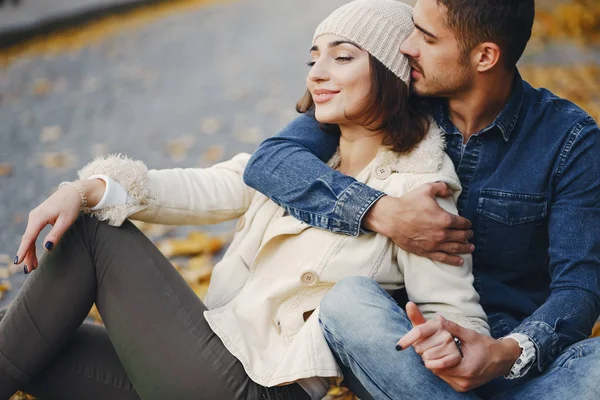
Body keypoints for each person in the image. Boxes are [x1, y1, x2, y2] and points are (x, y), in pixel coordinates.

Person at [0, 1, 490, 399]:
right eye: (313, 58)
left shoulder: (420, 191)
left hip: (260, 385)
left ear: (392, 73)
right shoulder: (300, 163)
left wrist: (451, 342)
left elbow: (457, 313)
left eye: (342, 56)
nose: (317, 72)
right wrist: (81, 189)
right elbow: (195, 188)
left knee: (92, 235)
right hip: (211, 351)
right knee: (30, 339)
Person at [243, 0, 600, 399]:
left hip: (515, 364)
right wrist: (380, 212)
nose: (407, 46)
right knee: (347, 301)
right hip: (407, 356)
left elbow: (579, 286)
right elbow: (272, 162)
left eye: (427, 38)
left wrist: (505, 352)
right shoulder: (390, 94)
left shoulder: (569, 140)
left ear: (485, 56)